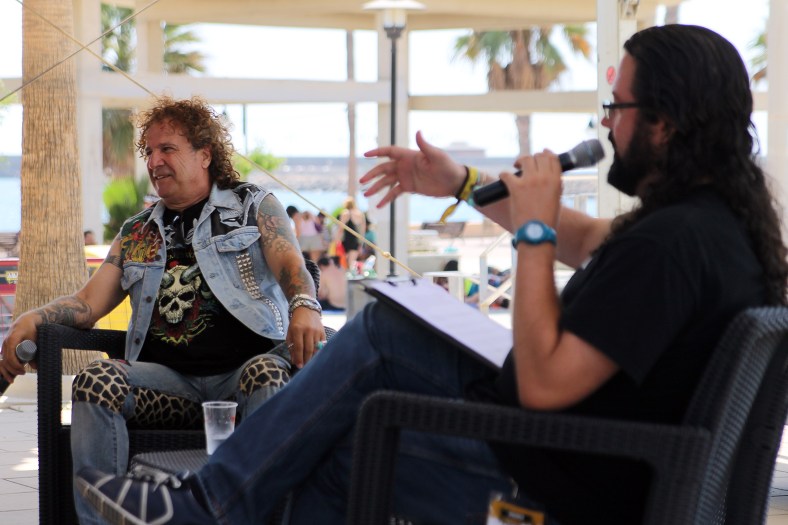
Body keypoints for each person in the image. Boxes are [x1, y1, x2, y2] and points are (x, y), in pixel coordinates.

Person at [76, 25, 788, 525]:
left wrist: (533, 233)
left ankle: (210, 506)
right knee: (387, 335)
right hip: (583, 463)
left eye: (618, 108)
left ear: (664, 122)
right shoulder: (711, 228)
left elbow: (543, 383)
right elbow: (589, 240)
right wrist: (461, 183)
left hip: (556, 493)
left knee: (340, 443)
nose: (606, 125)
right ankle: (213, 506)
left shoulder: (670, 245)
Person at [0, 96, 325, 525]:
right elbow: (88, 303)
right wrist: (35, 317)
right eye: (149, 152)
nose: (154, 161)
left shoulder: (252, 206)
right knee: (96, 380)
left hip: (242, 380)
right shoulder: (137, 231)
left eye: (167, 148)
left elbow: (291, 265)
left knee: (266, 373)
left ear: (205, 154)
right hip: (169, 387)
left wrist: (304, 304)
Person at [337, 196, 366, 273]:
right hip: (356, 241)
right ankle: (352, 275)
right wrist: (361, 244)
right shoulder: (360, 214)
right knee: (352, 262)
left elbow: (340, 229)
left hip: (346, 240)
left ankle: (347, 277)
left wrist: (336, 240)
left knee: (344, 262)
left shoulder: (345, 213)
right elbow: (363, 231)